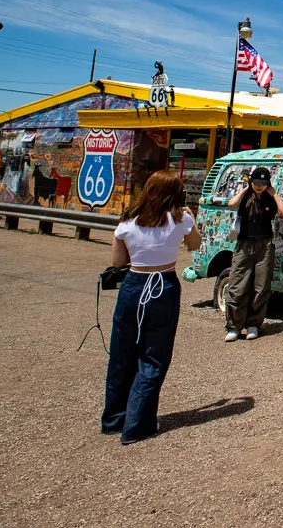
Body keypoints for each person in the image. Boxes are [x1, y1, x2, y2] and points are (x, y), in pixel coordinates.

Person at [102, 169, 201, 445]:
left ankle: (114, 419)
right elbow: (195, 244)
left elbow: (118, 261)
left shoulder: (127, 220)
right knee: (154, 357)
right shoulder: (180, 218)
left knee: (122, 354)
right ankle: (137, 425)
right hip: (163, 284)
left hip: (134, 283)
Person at [224, 166, 283, 342]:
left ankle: (253, 324)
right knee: (237, 285)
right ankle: (234, 326)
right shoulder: (245, 198)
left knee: (261, 286)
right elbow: (231, 204)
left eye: (263, 183)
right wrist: (245, 188)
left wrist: (274, 194)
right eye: (256, 183)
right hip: (244, 243)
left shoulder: (269, 199)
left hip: (264, 244)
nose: (259, 186)